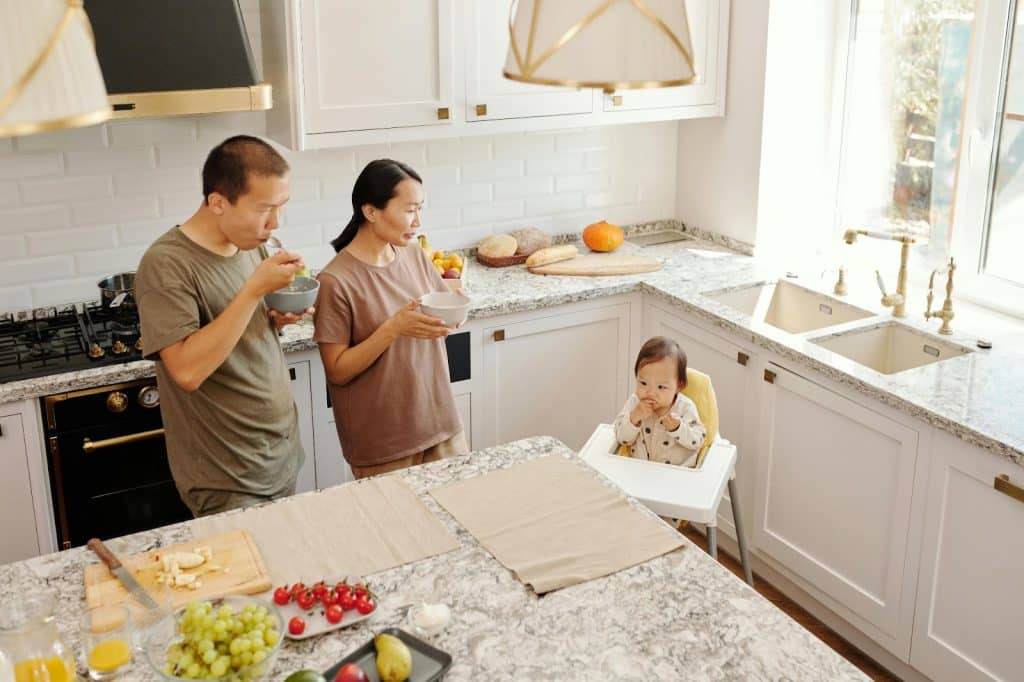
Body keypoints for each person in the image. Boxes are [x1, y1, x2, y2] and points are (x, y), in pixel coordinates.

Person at [135, 135, 311, 516]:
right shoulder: (166, 265)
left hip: (277, 455)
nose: (275, 222)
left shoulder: (252, 245)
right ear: (218, 202)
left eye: (281, 207)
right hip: (228, 477)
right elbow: (186, 370)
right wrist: (252, 292)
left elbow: (238, 333)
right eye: (264, 208)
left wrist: (275, 320)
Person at [313, 158, 468, 479]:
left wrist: (453, 317)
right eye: (409, 210)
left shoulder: (414, 254)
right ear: (371, 212)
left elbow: (444, 303)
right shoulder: (336, 281)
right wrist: (393, 328)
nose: (417, 221)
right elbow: (337, 370)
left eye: (420, 209)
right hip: (385, 441)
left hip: (440, 423)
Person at [613, 336, 707, 466]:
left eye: (661, 387)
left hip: (677, 476)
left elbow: (698, 440)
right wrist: (634, 418)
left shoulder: (685, 408)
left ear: (679, 386)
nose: (650, 392)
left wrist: (678, 428)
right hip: (638, 472)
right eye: (643, 383)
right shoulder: (635, 402)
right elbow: (621, 438)